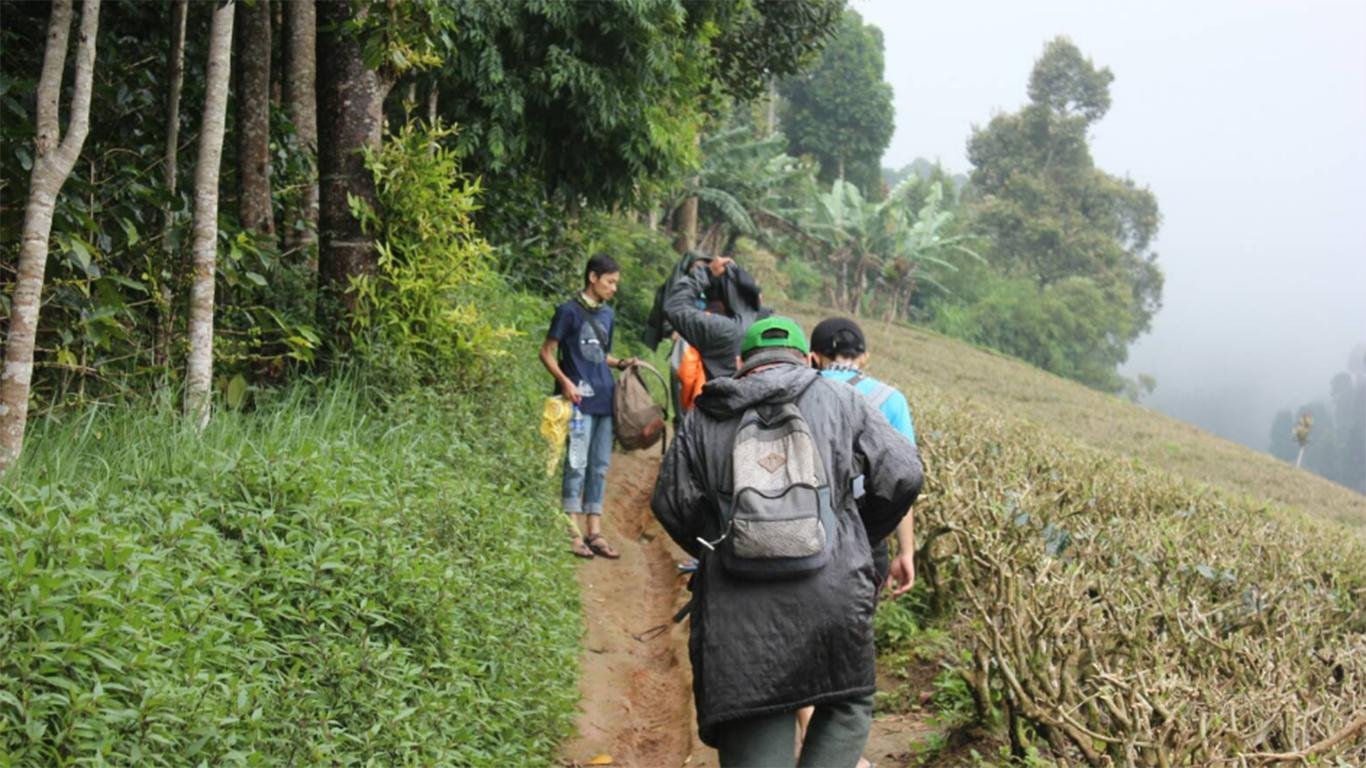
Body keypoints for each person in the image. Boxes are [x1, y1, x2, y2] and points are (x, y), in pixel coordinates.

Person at [651, 316, 923, 767]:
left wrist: (721, 545)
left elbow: (670, 500)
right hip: (834, 596)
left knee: (755, 704)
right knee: (847, 698)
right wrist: (854, 536)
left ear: (740, 361)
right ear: (806, 360)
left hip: (740, 614)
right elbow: (904, 473)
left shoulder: (707, 413)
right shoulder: (841, 399)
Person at [797, 317, 921, 757]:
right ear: (864, 357)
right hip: (865, 539)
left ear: (813, 357)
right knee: (848, 642)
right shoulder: (890, 400)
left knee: (801, 636)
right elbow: (902, 480)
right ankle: (836, 755)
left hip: (801, 533)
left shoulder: (800, 388)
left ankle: (806, 735)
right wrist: (905, 550)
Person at [538, 254, 637, 559]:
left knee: (600, 466)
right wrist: (565, 382)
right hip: (579, 401)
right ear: (593, 277)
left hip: (605, 400)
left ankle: (594, 532)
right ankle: (573, 532)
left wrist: (620, 363)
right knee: (577, 463)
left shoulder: (608, 315)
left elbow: (599, 354)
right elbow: (546, 352)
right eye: (610, 281)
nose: (614, 288)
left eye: (616, 283)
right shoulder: (567, 312)